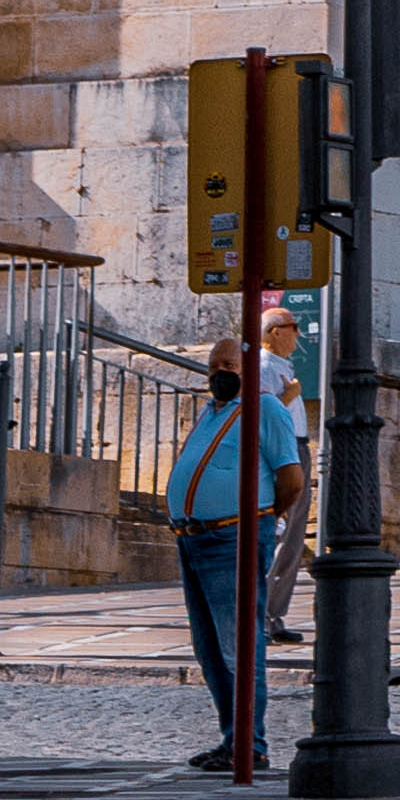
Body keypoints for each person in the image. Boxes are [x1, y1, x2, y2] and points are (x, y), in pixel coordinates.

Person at [162, 338, 301, 765]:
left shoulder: (266, 409)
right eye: (213, 366)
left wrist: (260, 517)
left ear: (248, 369)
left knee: (236, 644)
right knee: (208, 648)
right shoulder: (211, 412)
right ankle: (232, 738)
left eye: (229, 365)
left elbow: (291, 479)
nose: (219, 373)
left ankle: (250, 745)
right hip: (193, 538)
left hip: (232, 536)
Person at [262, 299, 317, 641]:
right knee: (280, 533)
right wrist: (290, 395)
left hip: (297, 447)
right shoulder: (264, 367)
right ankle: (261, 616)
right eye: (293, 327)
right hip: (282, 450)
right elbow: (260, 415)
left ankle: (274, 615)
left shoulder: (281, 364)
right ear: (275, 332)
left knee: (294, 536)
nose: (298, 333)